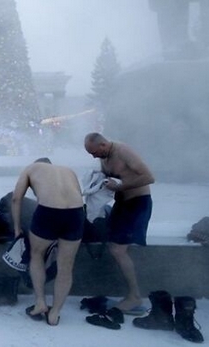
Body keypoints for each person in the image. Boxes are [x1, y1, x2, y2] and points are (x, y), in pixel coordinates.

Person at [84, 132, 155, 312]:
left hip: (137, 204)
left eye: (94, 152)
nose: (93, 156)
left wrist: (120, 186)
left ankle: (135, 297)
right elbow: (108, 179)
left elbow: (149, 177)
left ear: (103, 145)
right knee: (109, 242)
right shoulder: (104, 155)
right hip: (121, 203)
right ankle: (130, 294)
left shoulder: (123, 151)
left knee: (118, 249)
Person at [11, 157, 85, 326]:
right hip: (75, 214)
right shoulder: (68, 170)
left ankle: (40, 303)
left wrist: (17, 228)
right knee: (66, 266)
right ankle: (55, 313)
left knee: (36, 255)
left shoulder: (31, 168)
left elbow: (16, 198)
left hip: (48, 213)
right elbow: (77, 195)